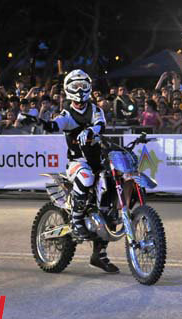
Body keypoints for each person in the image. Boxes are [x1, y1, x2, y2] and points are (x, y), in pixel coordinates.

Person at [37, 69, 119, 274]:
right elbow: (56, 124)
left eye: (83, 86)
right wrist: (42, 123)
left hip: (97, 160)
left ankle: (99, 255)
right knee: (86, 176)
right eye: (75, 86)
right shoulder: (67, 114)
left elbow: (101, 124)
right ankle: (75, 218)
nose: (80, 90)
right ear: (68, 89)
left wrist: (91, 130)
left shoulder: (95, 110)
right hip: (77, 163)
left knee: (108, 203)